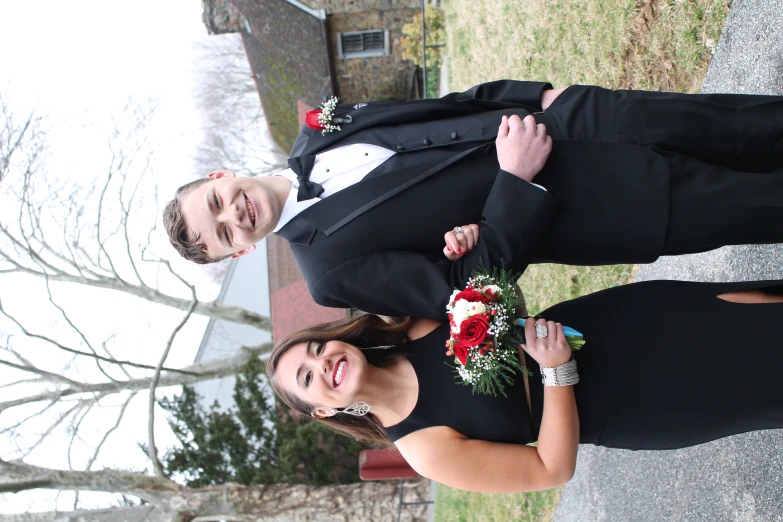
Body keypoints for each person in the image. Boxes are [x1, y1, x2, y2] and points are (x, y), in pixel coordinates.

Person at [163, 80, 783, 319]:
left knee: (748, 123)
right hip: (605, 207)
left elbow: (446, 105)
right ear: (240, 254)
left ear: (219, 176)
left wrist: (540, 95)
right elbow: (470, 291)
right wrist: (515, 183)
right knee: (763, 203)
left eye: (215, 202)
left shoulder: (319, 127)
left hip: (584, 120)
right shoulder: (329, 273)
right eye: (224, 234)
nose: (231, 215)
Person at [266, 280, 783, 493]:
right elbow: (550, 468)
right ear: (322, 411)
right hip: (632, 403)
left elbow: (498, 294)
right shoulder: (424, 448)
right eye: (308, 378)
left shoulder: (408, 321)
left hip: (616, 323)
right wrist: (556, 372)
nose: (324, 362)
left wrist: (496, 293)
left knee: (752, 313)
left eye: (315, 349)